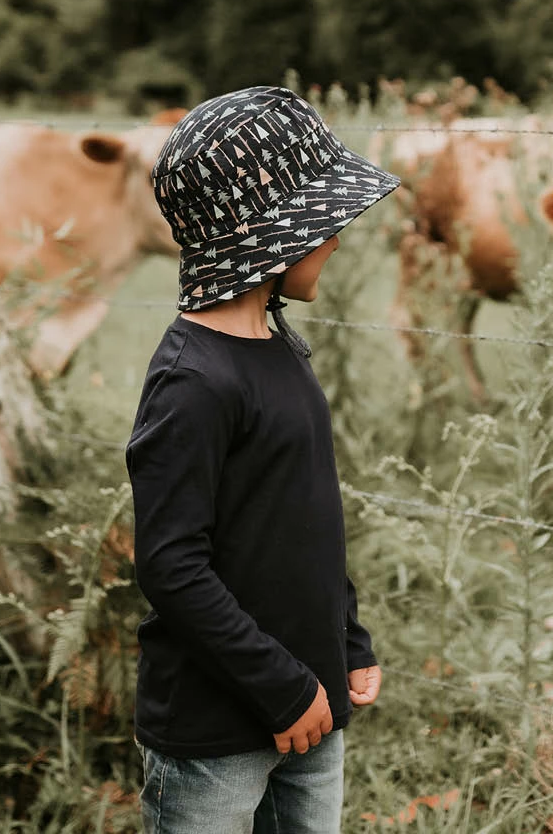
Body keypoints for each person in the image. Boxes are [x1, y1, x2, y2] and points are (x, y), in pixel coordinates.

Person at [125, 85, 400, 834]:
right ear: (267, 236)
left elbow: (308, 520)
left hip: (313, 702)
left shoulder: (281, 349)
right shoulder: (194, 382)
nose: (337, 240)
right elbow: (171, 565)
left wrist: (346, 639)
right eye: (325, 223)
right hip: (219, 731)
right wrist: (282, 688)